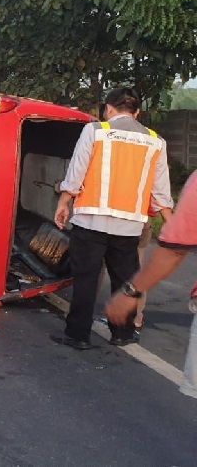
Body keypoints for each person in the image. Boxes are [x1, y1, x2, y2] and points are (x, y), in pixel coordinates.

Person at [50, 87, 173, 349]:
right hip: (129, 226)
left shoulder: (95, 131)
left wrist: (64, 201)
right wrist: (170, 224)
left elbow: (77, 171)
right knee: (125, 281)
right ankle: (123, 333)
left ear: (108, 109)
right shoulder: (156, 141)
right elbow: (161, 190)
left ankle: (77, 335)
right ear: (137, 113)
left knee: (86, 279)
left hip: (91, 220)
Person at [106, 170, 197, 397]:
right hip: (137, 220)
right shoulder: (154, 148)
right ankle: (134, 324)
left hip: (109, 220)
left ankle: (130, 323)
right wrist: (167, 214)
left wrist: (130, 292)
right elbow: (160, 184)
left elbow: (173, 251)